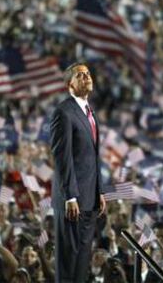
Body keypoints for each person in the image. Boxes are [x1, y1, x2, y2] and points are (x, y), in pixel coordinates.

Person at [50, 62, 107, 282]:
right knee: (68, 262)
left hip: (89, 199)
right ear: (69, 84)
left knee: (82, 263)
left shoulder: (89, 112)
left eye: (88, 74)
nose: (86, 77)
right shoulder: (63, 112)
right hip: (72, 201)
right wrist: (70, 196)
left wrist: (99, 191)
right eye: (79, 75)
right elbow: (62, 158)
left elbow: (92, 157)